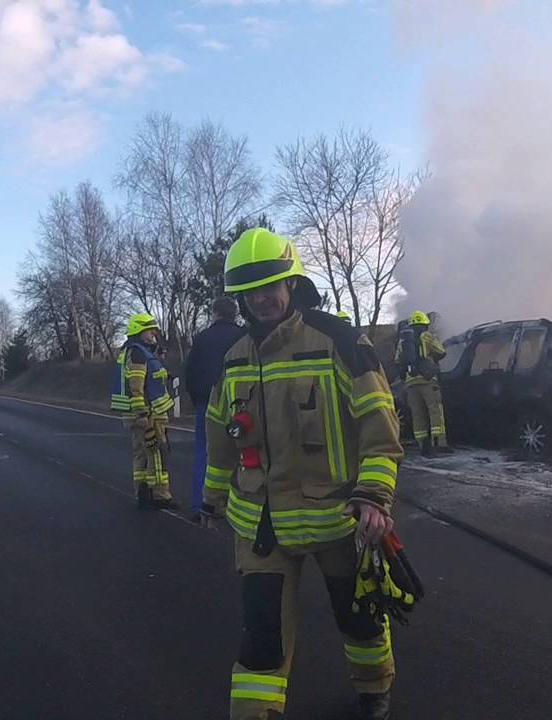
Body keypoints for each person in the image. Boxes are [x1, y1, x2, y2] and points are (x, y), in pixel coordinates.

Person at [201, 227, 403, 720]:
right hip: (261, 527)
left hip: (337, 521)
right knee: (262, 639)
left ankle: (374, 688)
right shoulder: (235, 358)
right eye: (251, 291)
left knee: (360, 619)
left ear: (291, 282)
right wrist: (212, 496)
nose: (261, 298)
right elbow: (220, 435)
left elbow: (379, 426)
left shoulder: (338, 341)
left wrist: (374, 495)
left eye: (270, 285)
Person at [183, 296, 245, 517]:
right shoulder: (244, 336)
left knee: (205, 453)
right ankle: (236, 507)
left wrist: (197, 399)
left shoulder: (202, 338)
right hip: (241, 404)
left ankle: (201, 505)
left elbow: (189, 371)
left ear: (215, 313)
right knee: (244, 455)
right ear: (235, 314)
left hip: (207, 404)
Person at [110, 313, 177, 509]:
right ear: (138, 331)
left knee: (141, 453)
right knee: (156, 452)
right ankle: (160, 495)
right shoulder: (138, 354)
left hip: (141, 412)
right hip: (148, 413)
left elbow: (148, 377)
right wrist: (142, 413)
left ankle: (142, 491)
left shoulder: (136, 351)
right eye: (149, 330)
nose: (153, 333)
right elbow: (136, 385)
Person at [395, 310, 451, 457]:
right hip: (427, 380)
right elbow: (441, 351)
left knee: (418, 414)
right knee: (435, 411)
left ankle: (422, 446)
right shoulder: (427, 336)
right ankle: (439, 444)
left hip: (411, 383)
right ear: (425, 323)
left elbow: (397, 360)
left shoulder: (403, 341)